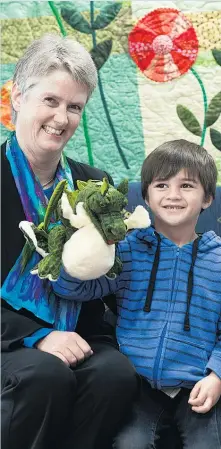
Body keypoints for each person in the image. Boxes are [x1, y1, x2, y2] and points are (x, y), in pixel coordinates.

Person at [1, 34, 138, 449]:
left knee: (115, 373)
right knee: (45, 373)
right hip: (9, 337)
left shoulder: (95, 183)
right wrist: (37, 337)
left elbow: (111, 275)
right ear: (18, 97)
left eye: (74, 107)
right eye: (51, 101)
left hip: (80, 329)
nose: (61, 118)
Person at [52, 139, 221, 449]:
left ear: (207, 197)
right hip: (139, 387)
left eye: (186, 185)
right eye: (161, 185)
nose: (173, 195)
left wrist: (217, 377)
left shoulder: (219, 260)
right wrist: (73, 257)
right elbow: (77, 290)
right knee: (130, 444)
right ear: (145, 195)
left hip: (199, 384)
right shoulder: (127, 250)